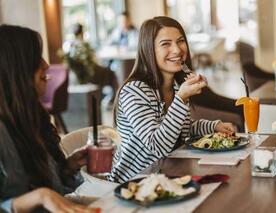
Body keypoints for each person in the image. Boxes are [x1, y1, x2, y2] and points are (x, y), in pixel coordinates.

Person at [108, 16, 236, 183]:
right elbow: (157, 145)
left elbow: (178, 130)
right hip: (135, 182)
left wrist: (213, 125)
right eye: (165, 44)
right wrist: (181, 99)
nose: (177, 50)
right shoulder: (134, 91)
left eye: (180, 41)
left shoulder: (177, 85)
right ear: (149, 50)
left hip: (170, 174)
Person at [0, 25, 98, 212]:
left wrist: (68, 167)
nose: (46, 65)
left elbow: (51, 189)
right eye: (35, 58)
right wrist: (41, 196)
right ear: (14, 68)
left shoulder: (33, 116)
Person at [62, 23, 118, 106]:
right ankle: (113, 100)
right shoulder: (83, 44)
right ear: (82, 32)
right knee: (111, 73)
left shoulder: (68, 45)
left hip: (76, 76)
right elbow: (91, 62)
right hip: (89, 74)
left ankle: (103, 99)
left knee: (104, 72)